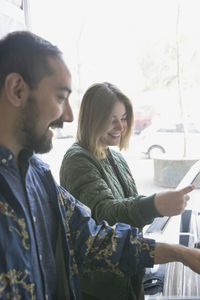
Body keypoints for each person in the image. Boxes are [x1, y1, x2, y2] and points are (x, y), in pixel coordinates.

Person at [0, 31, 199, 300]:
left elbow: (93, 239)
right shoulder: (73, 160)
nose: (68, 116)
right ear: (17, 90)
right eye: (60, 98)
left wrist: (181, 253)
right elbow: (106, 212)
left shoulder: (39, 176)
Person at [59, 82, 195, 299]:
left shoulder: (113, 155)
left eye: (123, 118)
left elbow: (127, 205)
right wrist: (155, 204)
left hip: (129, 275)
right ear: (92, 118)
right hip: (101, 289)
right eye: (112, 119)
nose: (121, 126)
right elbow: (104, 215)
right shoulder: (77, 160)